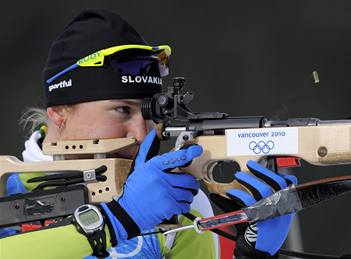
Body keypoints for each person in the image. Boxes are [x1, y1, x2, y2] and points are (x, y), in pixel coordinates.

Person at [0, 9, 296, 259]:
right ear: (59, 112)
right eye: (121, 110)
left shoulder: (180, 203)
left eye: (150, 114)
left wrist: (252, 255)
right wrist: (118, 220)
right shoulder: (6, 186)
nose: (141, 134)